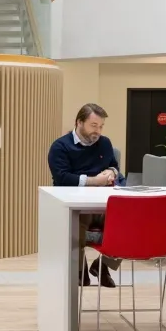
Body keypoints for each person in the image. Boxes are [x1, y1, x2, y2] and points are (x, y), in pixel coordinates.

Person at [48, 103, 124, 287]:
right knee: (75, 223)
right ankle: (79, 269)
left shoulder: (104, 143)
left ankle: (103, 265)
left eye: (101, 126)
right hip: (77, 204)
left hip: (104, 203)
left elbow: (114, 165)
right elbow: (62, 178)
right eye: (93, 126)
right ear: (79, 122)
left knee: (126, 221)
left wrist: (111, 172)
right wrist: (93, 181)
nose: (97, 131)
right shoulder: (60, 147)